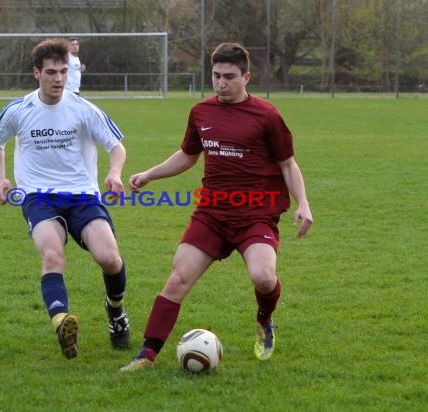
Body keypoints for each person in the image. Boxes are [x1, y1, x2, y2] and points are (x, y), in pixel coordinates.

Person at [120, 42, 313, 371]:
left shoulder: (267, 116)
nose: (221, 83)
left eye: (229, 77)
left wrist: (303, 203)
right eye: (216, 76)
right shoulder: (201, 112)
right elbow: (188, 155)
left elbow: (287, 164)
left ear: (246, 77)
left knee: (264, 278)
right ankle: (146, 356)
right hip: (211, 214)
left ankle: (264, 320)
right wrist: (151, 174)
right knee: (178, 279)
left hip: (256, 214)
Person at [0, 38, 130, 360]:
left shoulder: (83, 109)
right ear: (37, 72)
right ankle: (62, 321)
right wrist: (0, 178)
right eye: (51, 72)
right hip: (39, 197)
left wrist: (115, 172)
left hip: (83, 196)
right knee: (52, 254)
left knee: (109, 258)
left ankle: (116, 313)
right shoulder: (19, 109)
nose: (59, 79)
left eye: (64, 71)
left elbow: (116, 146)